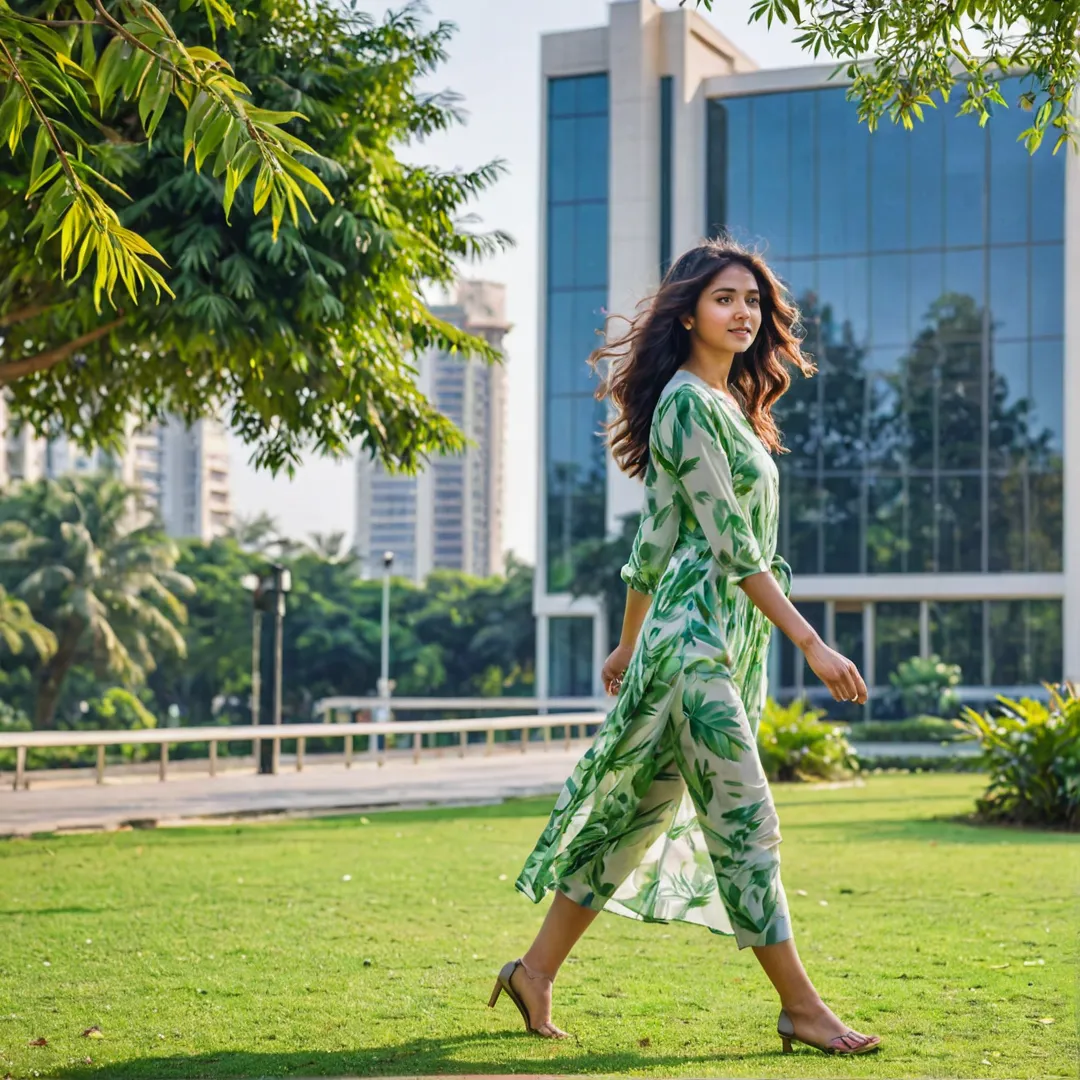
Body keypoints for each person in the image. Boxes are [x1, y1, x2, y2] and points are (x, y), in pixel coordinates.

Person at [487, 238, 881, 1057]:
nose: (744, 315)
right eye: (725, 299)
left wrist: (628, 645)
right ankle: (802, 1008)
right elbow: (734, 549)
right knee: (747, 820)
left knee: (631, 822)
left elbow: (655, 539)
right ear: (690, 311)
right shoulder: (687, 406)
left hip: (693, 642)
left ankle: (534, 971)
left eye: (753, 302)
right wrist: (811, 643)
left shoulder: (725, 404)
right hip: (695, 645)